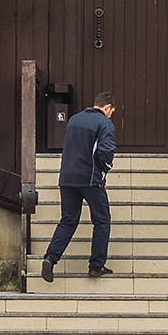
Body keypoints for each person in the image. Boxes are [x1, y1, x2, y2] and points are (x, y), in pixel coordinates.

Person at [41, 92, 117, 281]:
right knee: (102, 221)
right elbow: (106, 151)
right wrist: (105, 169)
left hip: (67, 178)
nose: (110, 116)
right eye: (111, 112)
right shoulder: (104, 123)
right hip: (90, 179)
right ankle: (96, 266)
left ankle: (50, 258)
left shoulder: (74, 119)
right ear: (107, 108)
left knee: (68, 221)